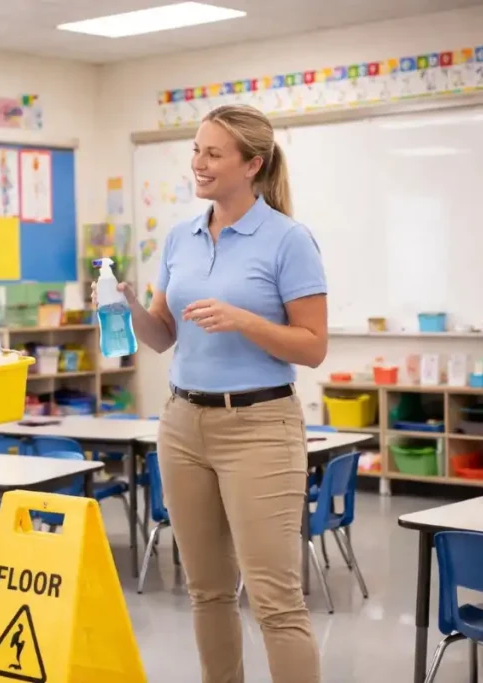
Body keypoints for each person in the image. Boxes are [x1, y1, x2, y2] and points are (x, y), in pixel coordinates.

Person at [106, 104, 327, 683]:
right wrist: (129, 307)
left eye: (213, 153)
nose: (198, 164)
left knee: (276, 602)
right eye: (196, 151)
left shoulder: (288, 239)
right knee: (206, 592)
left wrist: (244, 320)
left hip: (261, 427)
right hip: (183, 425)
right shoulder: (180, 237)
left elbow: (312, 347)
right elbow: (163, 337)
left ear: (252, 164)